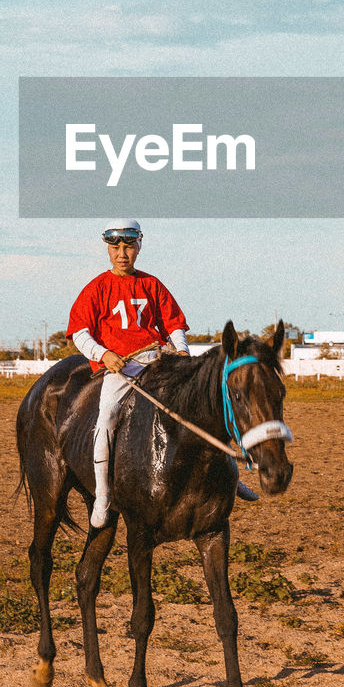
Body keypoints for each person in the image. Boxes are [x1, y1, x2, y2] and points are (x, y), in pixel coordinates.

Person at [67, 220, 256, 529]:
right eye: (115, 248)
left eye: (128, 246)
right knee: (106, 420)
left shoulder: (152, 284)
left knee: (203, 410)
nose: (122, 253)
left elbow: (174, 324)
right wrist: (104, 355)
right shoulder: (96, 287)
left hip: (157, 363)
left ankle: (230, 478)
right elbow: (79, 332)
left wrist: (182, 351)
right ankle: (103, 494)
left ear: (139, 246)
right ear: (108, 249)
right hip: (120, 370)